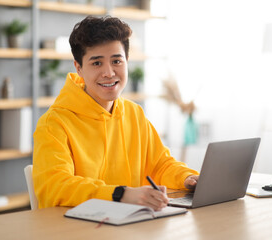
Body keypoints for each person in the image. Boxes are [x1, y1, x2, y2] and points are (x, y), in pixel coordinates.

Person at [33, 16, 199, 210]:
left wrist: (187, 178)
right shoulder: (54, 123)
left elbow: (160, 165)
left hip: (131, 225)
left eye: (116, 61)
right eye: (97, 63)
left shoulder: (134, 113)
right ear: (79, 68)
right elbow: (56, 187)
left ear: (127, 61)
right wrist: (121, 194)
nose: (109, 72)